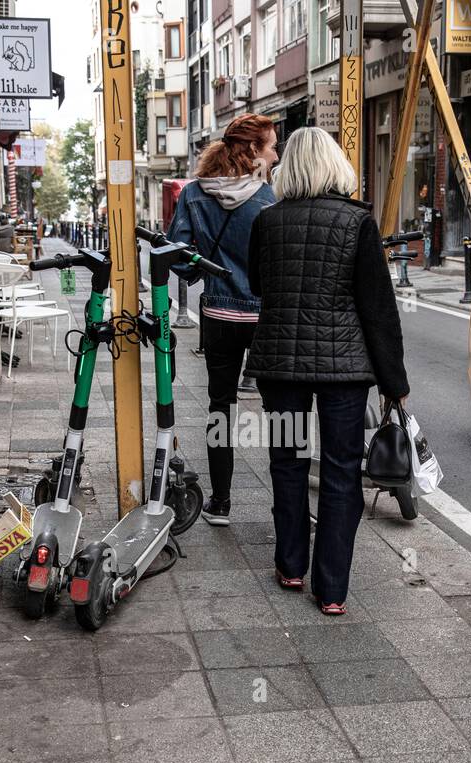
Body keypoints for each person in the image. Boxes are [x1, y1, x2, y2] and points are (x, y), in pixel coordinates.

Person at [244, 127, 410, 616]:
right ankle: (332, 589)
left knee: (288, 462)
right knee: (341, 473)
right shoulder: (357, 223)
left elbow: (258, 285)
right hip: (344, 371)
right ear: (336, 165)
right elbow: (378, 308)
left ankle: (291, 565)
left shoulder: (266, 222)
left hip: (281, 369)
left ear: (288, 168)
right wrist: (394, 383)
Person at [168, 113, 279, 526]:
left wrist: (204, 270)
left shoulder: (195, 194)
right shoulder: (268, 200)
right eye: (270, 146)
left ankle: (220, 502)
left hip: (218, 313)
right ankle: (284, 501)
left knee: (220, 407)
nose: (274, 153)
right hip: (264, 318)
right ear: (252, 150)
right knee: (278, 409)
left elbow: (179, 257)